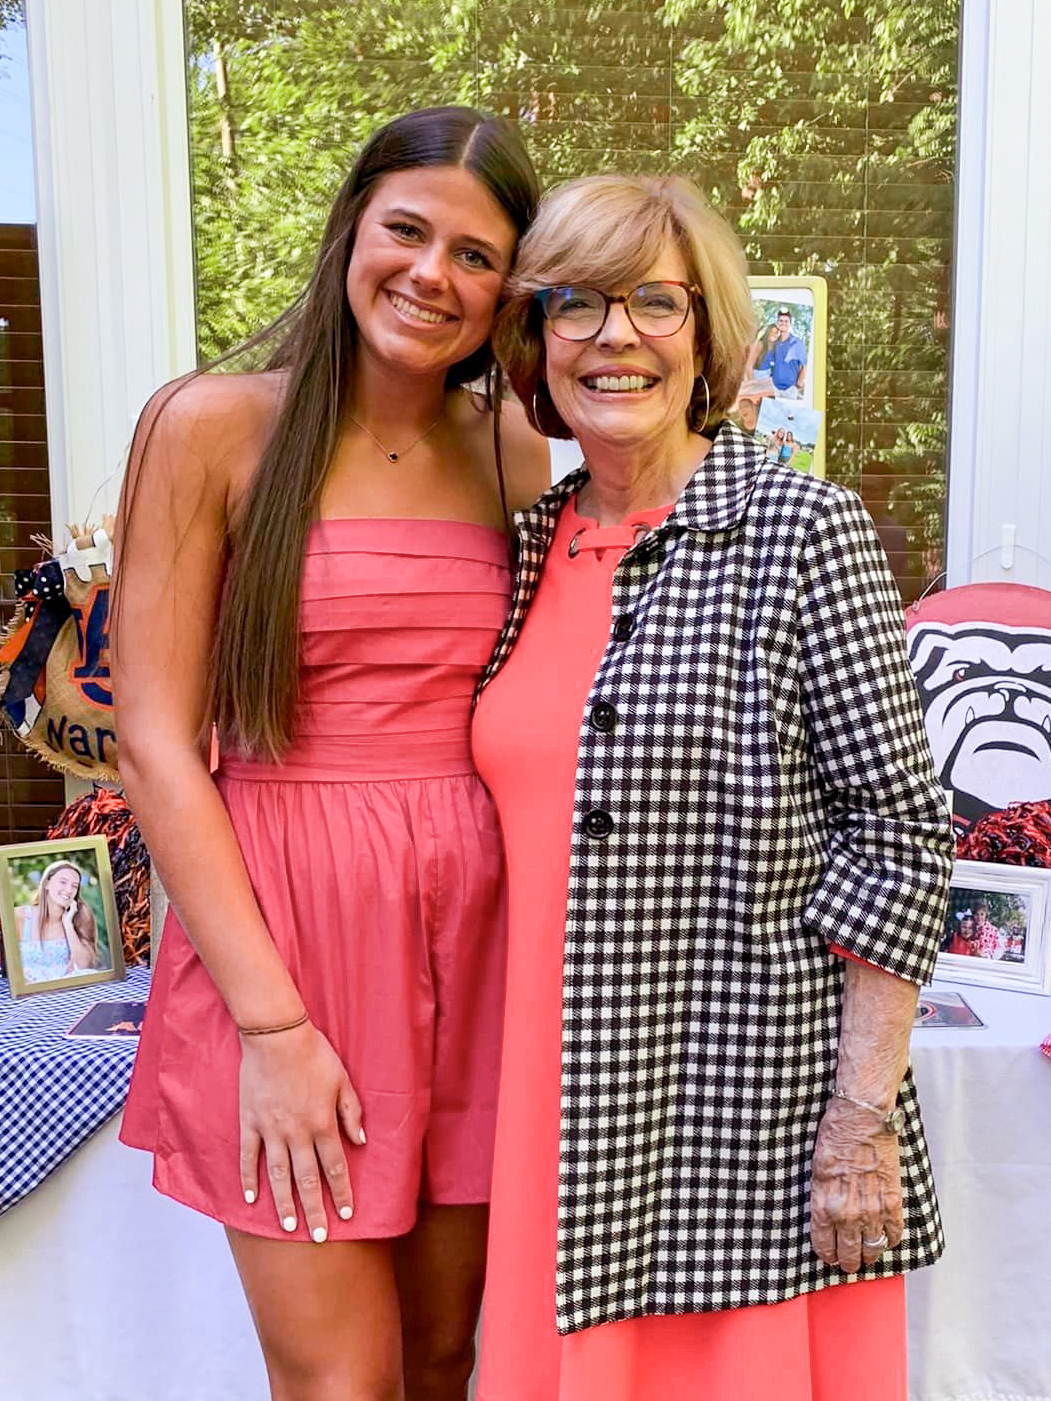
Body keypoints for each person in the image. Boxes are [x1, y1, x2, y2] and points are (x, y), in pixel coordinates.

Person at [474, 173, 954, 1401]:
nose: (613, 336)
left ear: (709, 335)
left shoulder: (803, 531)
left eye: (654, 302)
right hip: (555, 1110)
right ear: (534, 340)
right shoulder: (529, 547)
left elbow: (900, 837)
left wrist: (858, 1124)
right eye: (574, 304)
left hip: (745, 1121)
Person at [113, 107, 548, 1401]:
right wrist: (274, 1027)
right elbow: (150, 737)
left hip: (478, 949)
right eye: (407, 230)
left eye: (476, 256)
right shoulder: (209, 427)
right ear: (349, 227)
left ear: (508, 293)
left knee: (436, 1361)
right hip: (285, 947)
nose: (432, 274)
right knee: (340, 1380)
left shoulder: (514, 452)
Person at [15, 860, 99, 983]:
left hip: (64, 989)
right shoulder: (19, 916)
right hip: (29, 990)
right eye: (63, 882)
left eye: (74, 886)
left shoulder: (80, 914)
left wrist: (68, 924)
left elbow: (83, 966)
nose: (69, 889)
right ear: (46, 884)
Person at [770, 305, 807, 397]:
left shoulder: (797, 343)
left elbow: (805, 366)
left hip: (790, 390)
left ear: (790, 323)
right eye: (781, 321)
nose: (783, 323)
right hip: (774, 389)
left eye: (786, 321)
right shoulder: (774, 343)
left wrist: (798, 384)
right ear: (777, 323)